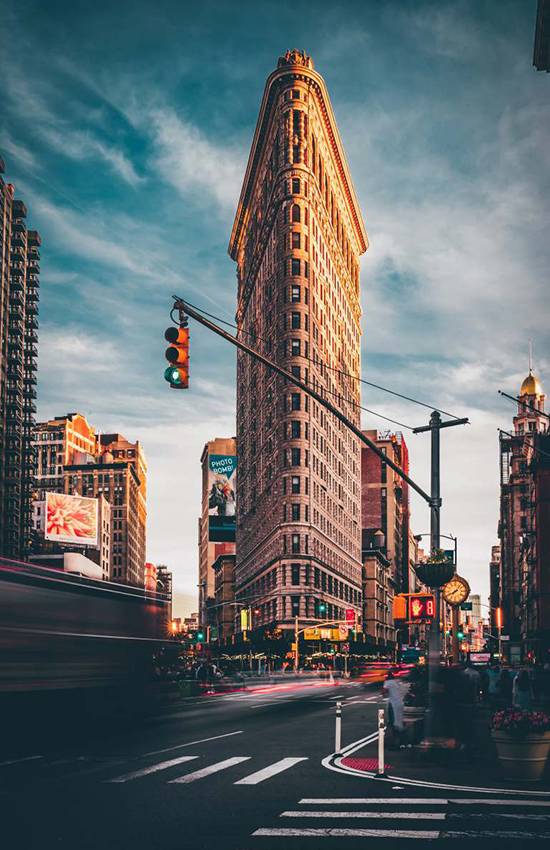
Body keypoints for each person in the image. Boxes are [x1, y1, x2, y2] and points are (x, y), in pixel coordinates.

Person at [383, 670, 406, 747]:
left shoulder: (388, 683)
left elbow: (384, 692)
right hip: (400, 704)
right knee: (399, 721)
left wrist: (383, 692)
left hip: (393, 705)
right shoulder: (397, 682)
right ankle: (401, 740)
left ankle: (394, 742)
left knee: (392, 722)